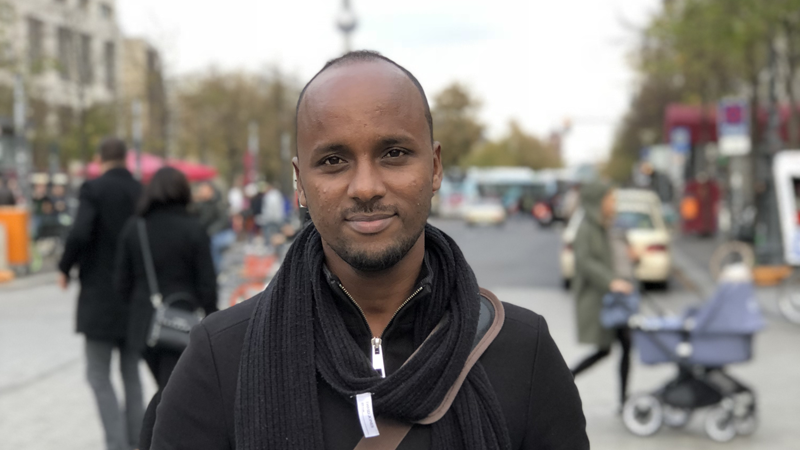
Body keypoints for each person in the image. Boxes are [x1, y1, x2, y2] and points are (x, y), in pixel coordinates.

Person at [144, 51, 587, 450]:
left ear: (434, 168)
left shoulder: (523, 352)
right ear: (300, 182)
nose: (366, 188)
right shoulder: (219, 359)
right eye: (333, 161)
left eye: (393, 153)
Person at [58, 138, 144, 450]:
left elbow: (80, 231)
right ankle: (136, 440)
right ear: (126, 157)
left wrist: (64, 267)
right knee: (131, 373)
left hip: (99, 295)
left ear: (100, 159)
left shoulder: (93, 189)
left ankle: (116, 443)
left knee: (98, 374)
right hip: (133, 295)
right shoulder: (140, 191)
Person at [115, 167, 219, 392]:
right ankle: (163, 426)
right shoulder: (194, 228)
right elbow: (207, 283)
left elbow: (122, 282)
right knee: (178, 391)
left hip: (145, 324)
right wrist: (212, 320)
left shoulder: (136, 227)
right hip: (186, 320)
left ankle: (158, 425)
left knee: (165, 390)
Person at [569, 182, 634, 410]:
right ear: (598, 201)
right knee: (608, 348)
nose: (613, 203)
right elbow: (585, 262)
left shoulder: (606, 225)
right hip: (599, 298)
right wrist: (611, 281)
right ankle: (565, 379)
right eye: (610, 199)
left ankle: (624, 401)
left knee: (623, 345)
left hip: (612, 298)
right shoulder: (587, 228)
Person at [193, 181, 235, 273]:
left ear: (210, 191)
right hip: (207, 234)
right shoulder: (201, 203)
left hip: (220, 235)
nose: (201, 192)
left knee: (213, 248)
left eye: (203, 190)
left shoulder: (218, 203)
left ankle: (215, 271)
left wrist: (210, 231)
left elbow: (223, 221)